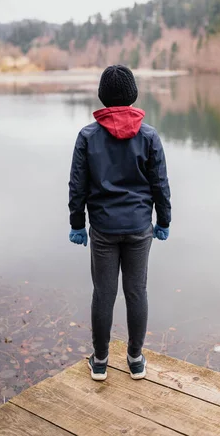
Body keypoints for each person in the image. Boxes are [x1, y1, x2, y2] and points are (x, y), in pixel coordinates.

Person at [68, 65, 171, 381]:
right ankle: (136, 360)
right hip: (140, 228)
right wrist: (163, 220)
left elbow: (78, 185)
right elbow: (160, 184)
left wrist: (77, 223)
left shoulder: (88, 136)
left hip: (103, 230)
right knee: (136, 292)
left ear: (102, 96)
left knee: (103, 293)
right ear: (133, 95)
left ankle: (100, 362)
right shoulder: (149, 136)